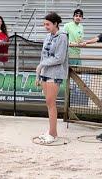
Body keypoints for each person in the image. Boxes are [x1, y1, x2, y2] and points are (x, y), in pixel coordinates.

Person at [35, 12, 68, 144]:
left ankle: (53, 134)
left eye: (48, 24)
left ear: (55, 24)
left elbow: (59, 58)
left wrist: (41, 65)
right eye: (44, 24)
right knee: (48, 104)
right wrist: (38, 73)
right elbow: (43, 55)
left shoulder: (63, 37)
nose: (45, 26)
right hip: (45, 72)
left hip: (55, 73)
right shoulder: (47, 36)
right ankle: (50, 131)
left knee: (51, 103)